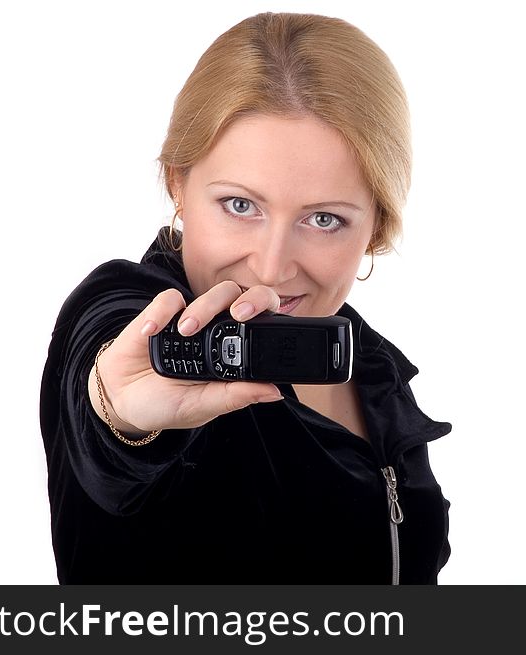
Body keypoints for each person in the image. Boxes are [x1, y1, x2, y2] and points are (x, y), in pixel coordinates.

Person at [39, 12, 452, 584]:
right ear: (178, 184)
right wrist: (119, 413)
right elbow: (103, 365)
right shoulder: (133, 309)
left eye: (325, 219)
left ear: (377, 226)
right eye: (240, 205)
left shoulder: (370, 364)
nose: (271, 265)